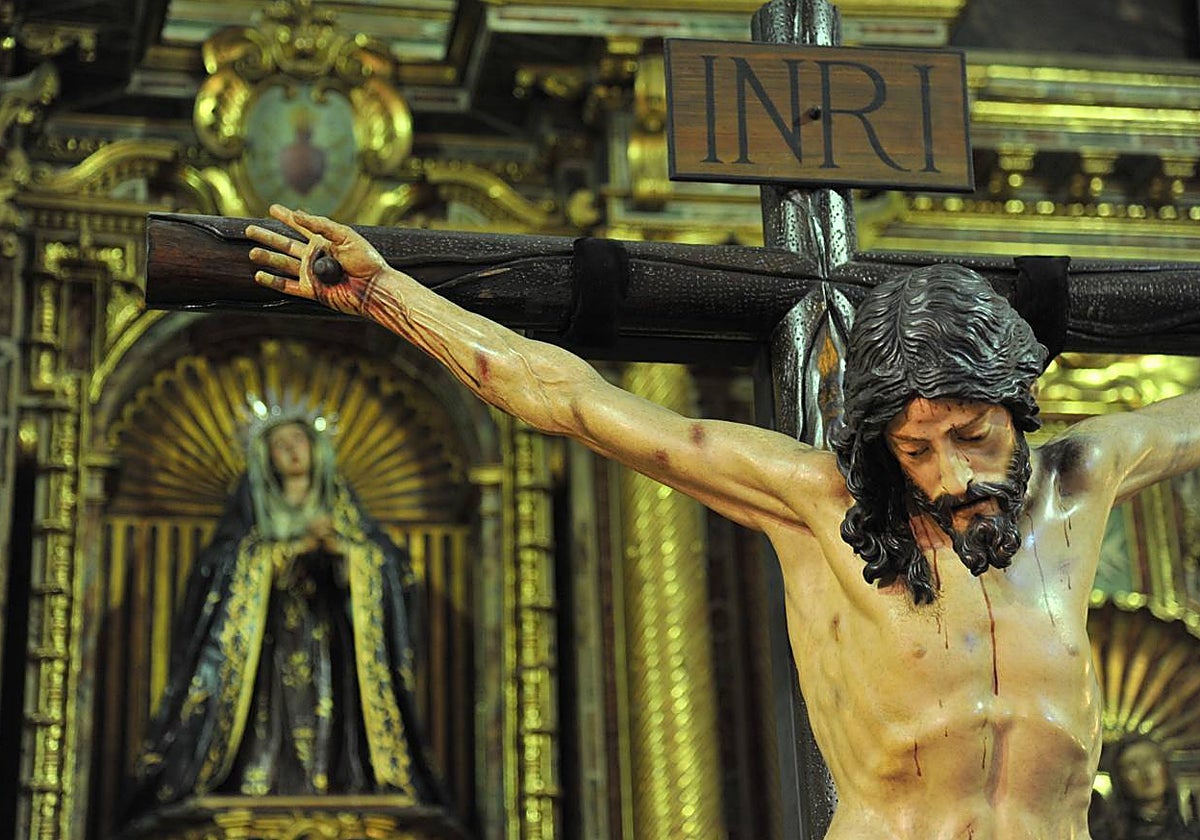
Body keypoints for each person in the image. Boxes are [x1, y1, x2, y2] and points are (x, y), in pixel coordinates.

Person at [247, 204, 1200, 838]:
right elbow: (569, 398)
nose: (950, 477)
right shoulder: (816, 502)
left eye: (974, 436)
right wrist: (386, 295)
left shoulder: (1085, 477)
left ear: (1019, 402)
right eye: (915, 451)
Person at [120, 410, 444, 825]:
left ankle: (337, 779)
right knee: (266, 720)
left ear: (316, 448)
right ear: (267, 458)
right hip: (265, 649)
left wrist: (345, 555)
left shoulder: (345, 512)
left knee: (331, 713)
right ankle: (256, 780)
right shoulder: (251, 513)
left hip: (330, 644)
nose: (292, 450)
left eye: (299, 440)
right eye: (280, 444)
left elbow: (393, 572)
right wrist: (277, 556)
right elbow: (213, 570)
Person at [1098, 736, 1200, 840]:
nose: (1146, 773)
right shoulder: (1105, 834)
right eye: (1133, 766)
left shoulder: (1190, 829)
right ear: (1119, 778)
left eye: (1151, 761)